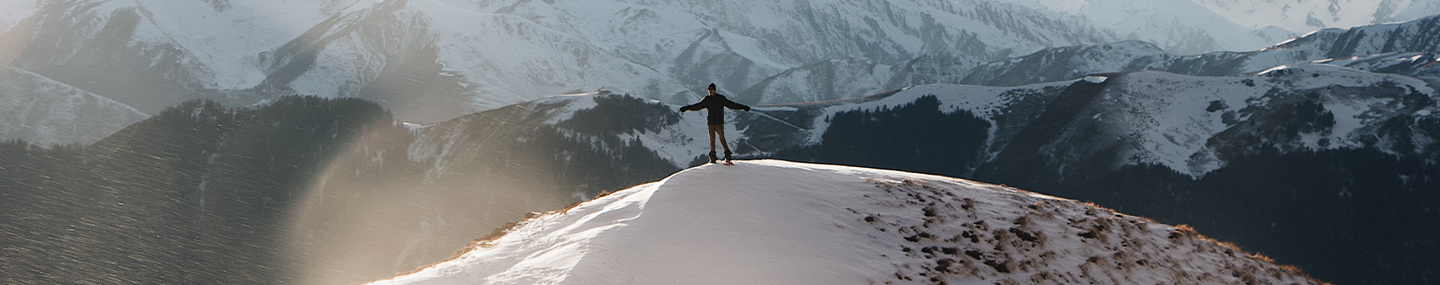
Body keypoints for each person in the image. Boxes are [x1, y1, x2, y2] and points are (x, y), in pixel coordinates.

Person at [680, 83, 751, 164]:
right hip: (711, 123)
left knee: (721, 138)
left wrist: (742, 107)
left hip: (718, 122)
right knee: (712, 139)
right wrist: (688, 108)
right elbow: (698, 106)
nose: (710, 91)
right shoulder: (708, 99)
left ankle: (726, 155)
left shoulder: (719, 98)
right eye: (709, 89)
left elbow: (731, 104)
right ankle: (714, 157)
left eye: (712, 89)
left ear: (714, 89)